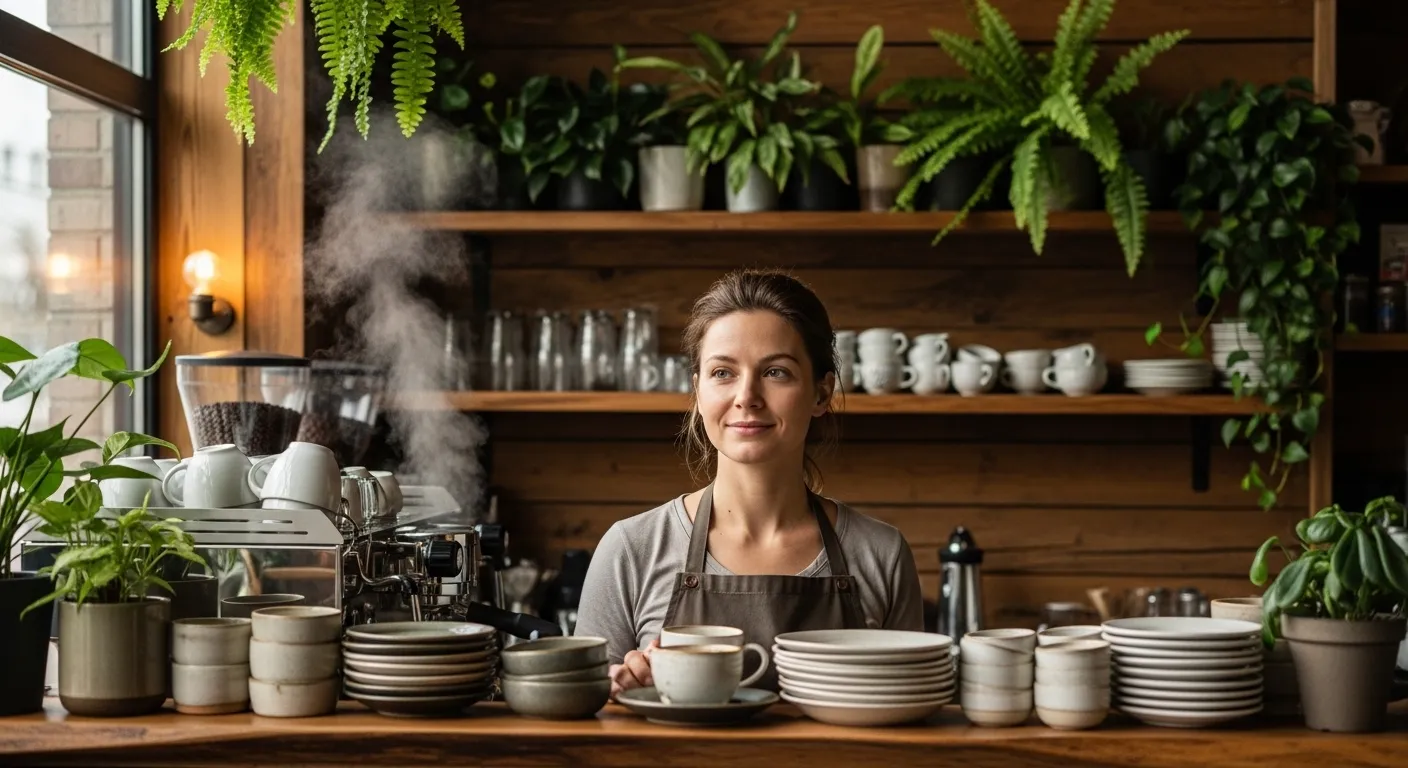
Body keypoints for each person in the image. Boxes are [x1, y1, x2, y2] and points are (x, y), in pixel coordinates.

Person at [573, 269, 925, 697]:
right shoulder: (631, 550)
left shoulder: (881, 555)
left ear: (821, 393)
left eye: (776, 372)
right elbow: (589, 733)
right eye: (723, 373)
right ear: (698, 391)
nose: (746, 396)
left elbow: (910, 732)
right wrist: (618, 691)